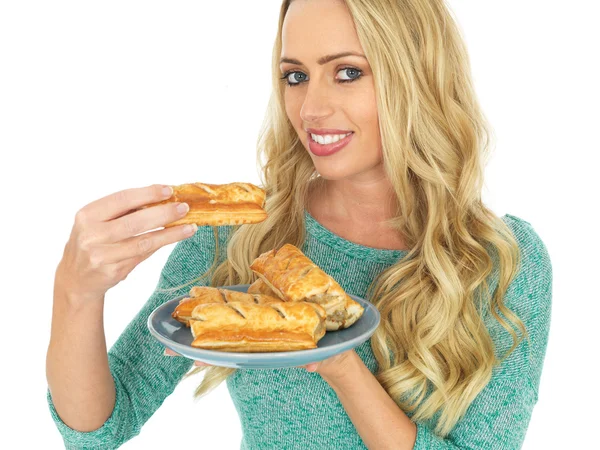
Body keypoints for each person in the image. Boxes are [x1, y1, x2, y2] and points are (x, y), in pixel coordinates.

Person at [45, 0, 552, 448]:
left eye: (348, 72)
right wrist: (76, 292)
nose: (311, 108)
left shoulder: (501, 261)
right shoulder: (244, 235)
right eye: (295, 76)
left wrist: (342, 365)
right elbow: (99, 430)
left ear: (416, 75)